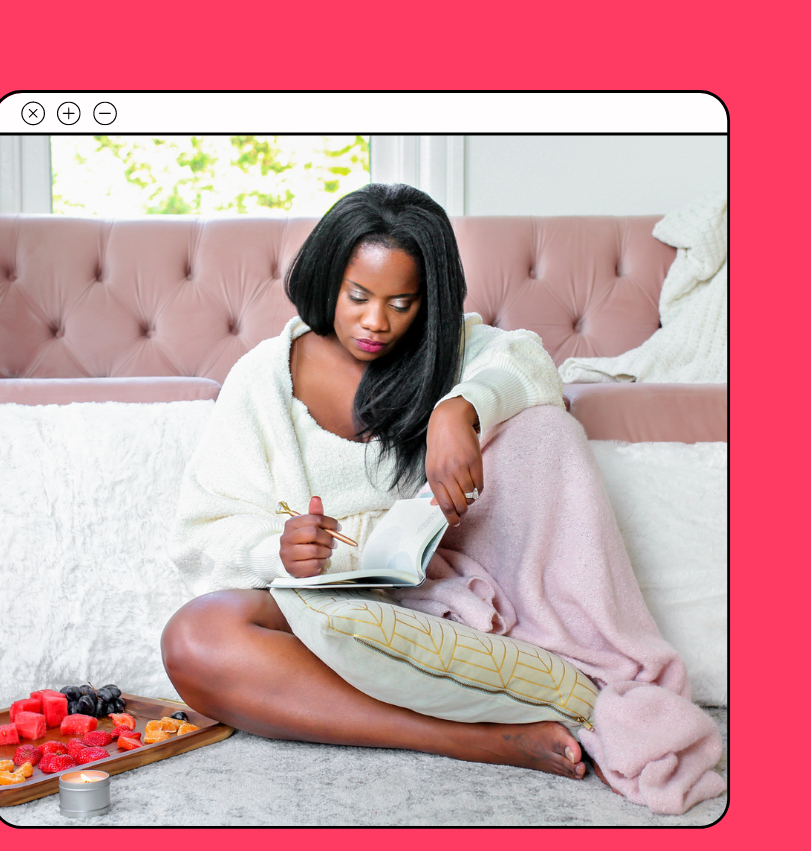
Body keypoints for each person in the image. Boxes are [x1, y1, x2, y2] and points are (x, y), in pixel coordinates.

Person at [162, 184, 612, 782]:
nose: (376, 323)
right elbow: (202, 528)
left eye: (402, 303)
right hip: (315, 608)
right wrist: (278, 548)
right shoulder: (262, 380)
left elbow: (529, 364)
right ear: (328, 281)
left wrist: (461, 409)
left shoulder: (446, 354)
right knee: (195, 637)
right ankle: (468, 741)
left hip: (430, 603)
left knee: (543, 426)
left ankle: (477, 720)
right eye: (358, 297)